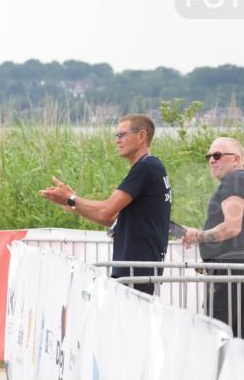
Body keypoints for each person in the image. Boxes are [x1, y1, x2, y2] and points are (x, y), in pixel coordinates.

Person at [39, 114, 172, 295]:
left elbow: (105, 211)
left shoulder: (145, 168)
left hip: (135, 269)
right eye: (116, 135)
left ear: (142, 135)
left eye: (122, 135)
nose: (117, 140)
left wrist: (71, 198)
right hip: (138, 268)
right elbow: (115, 220)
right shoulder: (151, 167)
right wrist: (72, 204)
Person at [182, 137, 244, 336]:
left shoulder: (235, 179)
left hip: (228, 274)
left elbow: (232, 227)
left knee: (218, 334)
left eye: (217, 155)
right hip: (233, 273)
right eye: (209, 156)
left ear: (236, 159)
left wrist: (199, 236)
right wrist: (198, 234)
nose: (211, 160)